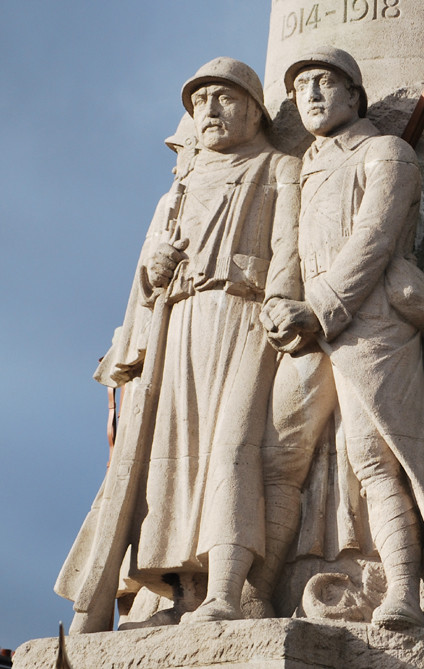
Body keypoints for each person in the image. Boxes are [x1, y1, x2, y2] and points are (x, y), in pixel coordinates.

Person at [55, 57, 301, 631]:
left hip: (244, 317)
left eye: (225, 98)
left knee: (232, 446)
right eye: (200, 102)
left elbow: (288, 247)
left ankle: (226, 588)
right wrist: (153, 269)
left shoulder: (278, 167)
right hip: (179, 323)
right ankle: (179, 591)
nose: (210, 111)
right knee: (170, 462)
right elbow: (143, 275)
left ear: (254, 108)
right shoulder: (179, 189)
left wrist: (280, 306)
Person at [252, 46, 424, 629]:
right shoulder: (308, 165)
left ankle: (402, 593)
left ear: (354, 94)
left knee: (376, 456)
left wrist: (316, 309)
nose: (310, 95)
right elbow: (288, 250)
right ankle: (256, 592)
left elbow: (374, 238)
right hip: (307, 326)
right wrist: (276, 305)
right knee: (279, 453)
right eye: (301, 87)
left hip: (371, 318)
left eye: (324, 83)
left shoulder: (387, 152)